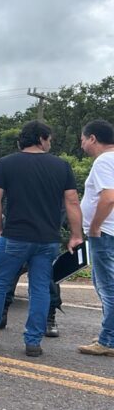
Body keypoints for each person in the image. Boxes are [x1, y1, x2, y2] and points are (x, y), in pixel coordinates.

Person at [0, 120, 83, 357]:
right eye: (49, 139)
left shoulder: (6, 164)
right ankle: (33, 342)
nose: (49, 144)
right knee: (39, 289)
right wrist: (76, 235)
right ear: (41, 138)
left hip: (15, 236)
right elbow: (72, 202)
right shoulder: (62, 166)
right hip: (47, 239)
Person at [78, 119, 114, 356]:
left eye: (82, 140)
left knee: (107, 287)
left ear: (92, 138)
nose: (82, 145)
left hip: (105, 233)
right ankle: (109, 332)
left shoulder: (104, 161)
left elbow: (109, 197)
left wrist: (94, 227)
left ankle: (108, 340)